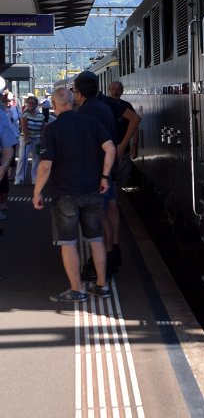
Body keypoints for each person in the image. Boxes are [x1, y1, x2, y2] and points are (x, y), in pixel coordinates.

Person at [32, 85, 116, 303]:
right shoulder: (91, 123)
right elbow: (110, 149)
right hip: (92, 191)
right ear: (73, 101)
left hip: (65, 194)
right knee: (96, 239)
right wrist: (105, 177)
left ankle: (77, 290)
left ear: (55, 104)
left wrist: (37, 192)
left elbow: (45, 165)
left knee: (68, 242)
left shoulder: (52, 129)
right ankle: (102, 285)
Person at [72, 71, 118, 282]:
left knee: (96, 222)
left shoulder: (84, 113)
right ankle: (110, 257)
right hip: (107, 172)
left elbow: (84, 146)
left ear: (79, 93)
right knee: (105, 216)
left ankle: (102, 265)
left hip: (94, 174)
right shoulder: (104, 108)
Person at [104, 80, 141, 270]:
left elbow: (135, 124)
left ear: (122, 91)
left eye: (119, 90)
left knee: (120, 180)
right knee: (112, 183)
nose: (116, 92)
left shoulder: (126, 107)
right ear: (108, 90)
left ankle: (114, 204)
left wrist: (133, 144)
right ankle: (113, 207)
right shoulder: (106, 106)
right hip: (110, 152)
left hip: (123, 151)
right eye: (113, 89)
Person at [15, 94, 43, 184]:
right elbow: (24, 127)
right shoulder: (25, 114)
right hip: (26, 139)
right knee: (23, 158)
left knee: (36, 159)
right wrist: (27, 138)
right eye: (29, 103)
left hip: (37, 139)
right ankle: (19, 178)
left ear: (36, 104)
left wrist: (42, 138)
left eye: (33, 103)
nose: (31, 104)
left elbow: (43, 127)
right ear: (27, 104)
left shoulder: (40, 115)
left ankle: (34, 178)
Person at [0, 93, 18, 219]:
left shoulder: (2, 115)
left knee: (3, 184)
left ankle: (2, 204)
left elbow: (8, 147)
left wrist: (4, 167)